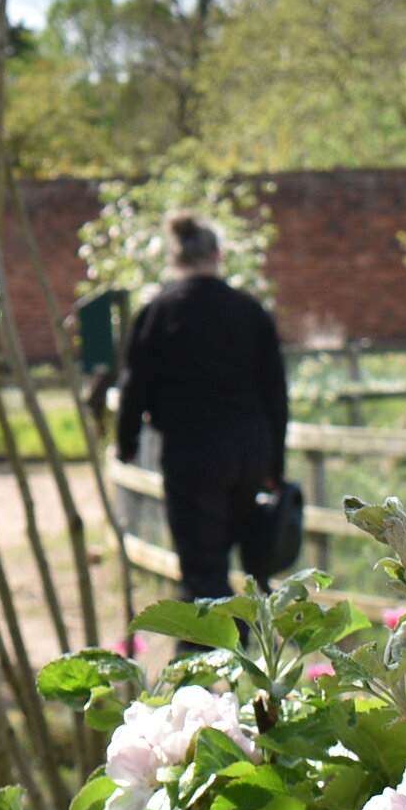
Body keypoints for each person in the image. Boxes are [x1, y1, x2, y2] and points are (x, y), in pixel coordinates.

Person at [115, 210, 289, 608]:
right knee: (250, 563)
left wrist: (125, 443)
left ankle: (206, 656)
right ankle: (249, 648)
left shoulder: (159, 311)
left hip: (192, 455)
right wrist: (275, 464)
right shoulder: (249, 311)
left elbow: (133, 387)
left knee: (202, 567)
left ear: (175, 257)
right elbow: (275, 392)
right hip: (250, 452)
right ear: (217, 254)